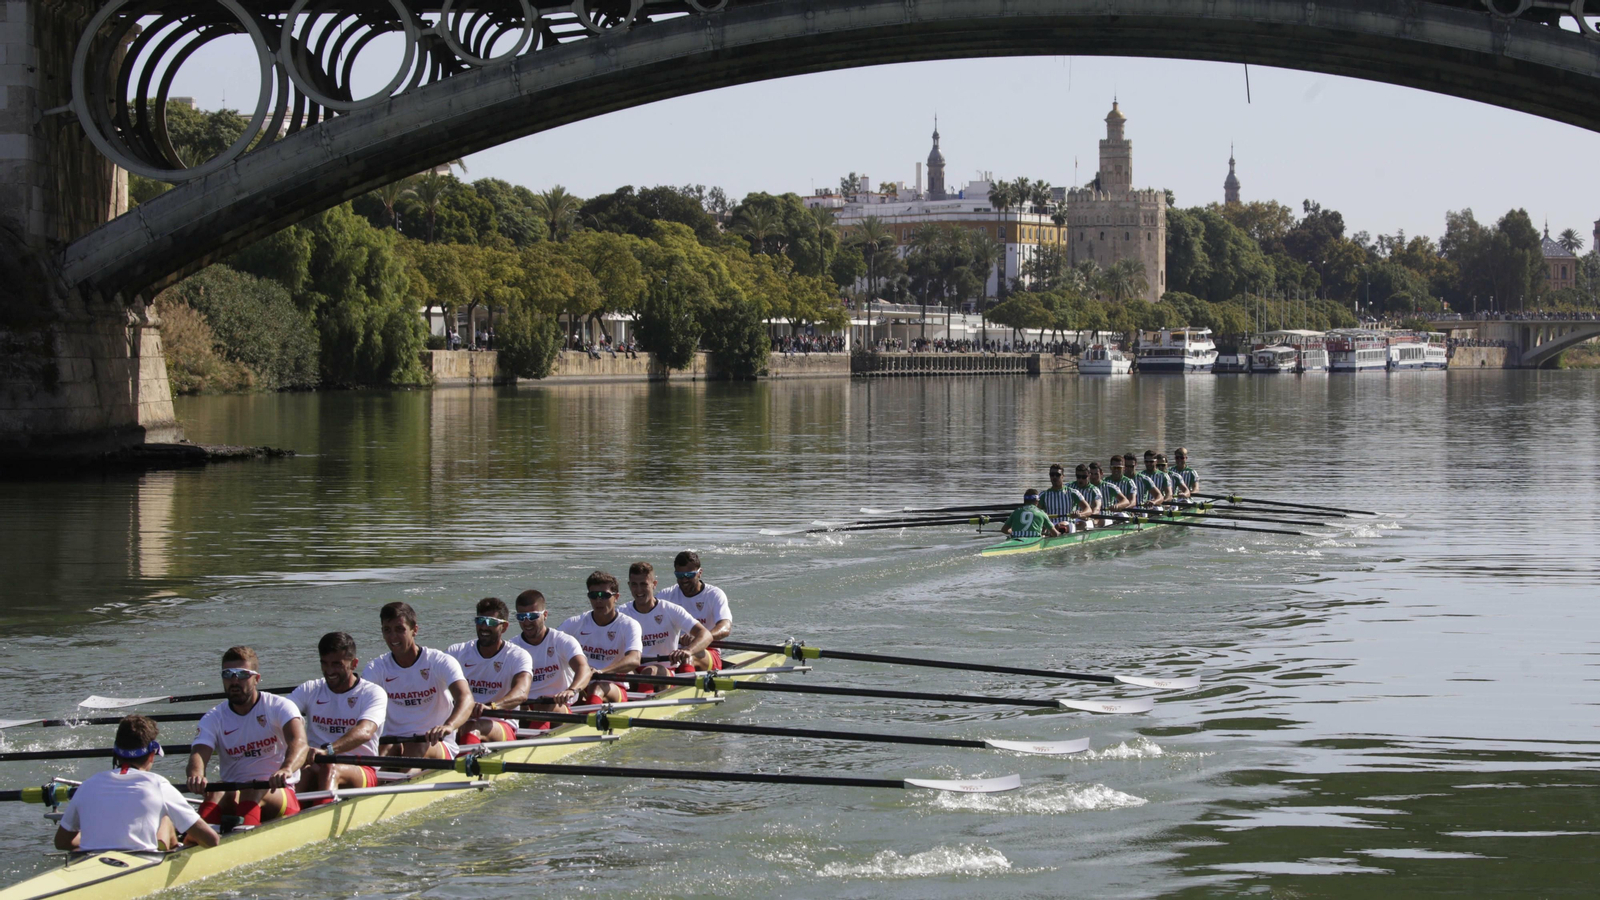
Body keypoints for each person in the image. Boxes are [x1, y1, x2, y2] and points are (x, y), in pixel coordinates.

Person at [55, 716, 220, 853]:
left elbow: (61, 842)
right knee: (166, 816)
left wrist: (97, 839)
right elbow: (212, 840)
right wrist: (192, 838)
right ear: (152, 755)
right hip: (142, 865)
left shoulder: (87, 785)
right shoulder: (158, 785)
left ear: (116, 754)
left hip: (90, 863)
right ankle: (168, 843)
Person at [186, 647, 308, 831]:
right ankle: (193, 841)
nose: (234, 681)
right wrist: (196, 775)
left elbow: (300, 743)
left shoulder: (280, 706)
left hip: (279, 794)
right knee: (216, 789)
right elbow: (199, 753)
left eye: (242, 674)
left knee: (252, 788)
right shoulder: (214, 717)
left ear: (256, 678)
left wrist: (286, 768)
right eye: (228, 674)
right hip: (236, 792)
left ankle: (239, 840)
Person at [365, 602, 473, 761]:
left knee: (416, 747)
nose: (393, 637)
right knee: (384, 749)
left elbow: (466, 699)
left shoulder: (439, 662)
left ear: (415, 630)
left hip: (436, 743)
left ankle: (398, 782)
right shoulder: (376, 668)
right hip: (393, 742)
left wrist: (449, 726)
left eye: (399, 630)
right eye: (387, 630)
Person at [290, 631, 387, 794]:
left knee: (329, 767)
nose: (329, 671)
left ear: (354, 663)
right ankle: (285, 815)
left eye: (336, 664)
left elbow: (365, 731)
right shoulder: (310, 689)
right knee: (300, 771)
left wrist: (329, 750)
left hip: (362, 769)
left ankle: (321, 813)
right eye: (324, 663)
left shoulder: (372, 693)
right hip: (316, 764)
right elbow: (281, 716)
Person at [447, 597, 533, 746]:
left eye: (491, 622)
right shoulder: (456, 652)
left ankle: (462, 765)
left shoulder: (517, 656)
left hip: (500, 722)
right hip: (461, 719)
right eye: (480, 621)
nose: (484, 627)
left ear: (504, 627)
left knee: (472, 727)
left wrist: (492, 707)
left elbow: (521, 693)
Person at [558, 571, 642, 704]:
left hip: (613, 685)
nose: (598, 600)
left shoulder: (629, 625)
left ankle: (588, 719)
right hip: (582, 684)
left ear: (616, 597)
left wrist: (601, 672)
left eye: (604, 595)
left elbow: (634, 660)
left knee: (597, 688)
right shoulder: (575, 623)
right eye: (593, 595)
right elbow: (549, 643)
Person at [508, 589, 592, 720]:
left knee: (544, 707)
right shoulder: (512, 647)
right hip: (527, 707)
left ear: (545, 615)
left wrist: (572, 690)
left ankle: (534, 737)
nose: (526, 622)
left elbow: (584, 669)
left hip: (560, 705)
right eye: (521, 617)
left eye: (532, 616)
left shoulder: (562, 641)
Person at [619, 561, 710, 679]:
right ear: (629, 585)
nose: (639, 590)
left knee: (650, 671)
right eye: (634, 585)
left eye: (644, 584)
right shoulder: (621, 613)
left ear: (654, 584)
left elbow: (706, 634)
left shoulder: (671, 610)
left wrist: (689, 650)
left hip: (665, 670)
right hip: (634, 669)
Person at [654, 552, 732, 671]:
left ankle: (682, 685)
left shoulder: (714, 595)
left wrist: (699, 639)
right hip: (674, 652)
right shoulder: (666, 595)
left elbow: (725, 628)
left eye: (689, 575)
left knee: (688, 656)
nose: (684, 579)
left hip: (708, 650)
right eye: (679, 575)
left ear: (699, 573)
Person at [1088, 461, 1128, 525]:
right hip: (1089, 517)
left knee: (1098, 520)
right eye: (1091, 474)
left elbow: (1125, 501)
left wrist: (1117, 506)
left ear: (1101, 474)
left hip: (1106, 517)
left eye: (1096, 474)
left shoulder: (1110, 487)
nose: (1093, 477)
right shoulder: (1084, 488)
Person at [1037, 464, 1074, 530]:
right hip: (1050, 526)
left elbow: (1088, 510)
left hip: (1067, 525)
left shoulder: (1072, 493)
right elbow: (1035, 512)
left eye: (1057, 475)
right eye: (1052, 475)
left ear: (1063, 476)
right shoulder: (1043, 495)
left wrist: (1080, 514)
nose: (1054, 477)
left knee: (1062, 525)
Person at [1067, 464, 1100, 531]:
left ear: (1089, 476)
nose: (1080, 479)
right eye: (1078, 476)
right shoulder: (1069, 487)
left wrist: (1084, 515)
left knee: (1080, 524)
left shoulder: (1094, 490)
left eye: (1084, 477)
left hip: (1087, 518)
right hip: (1071, 518)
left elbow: (1097, 509)